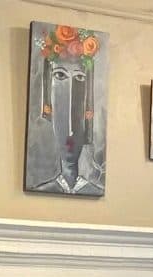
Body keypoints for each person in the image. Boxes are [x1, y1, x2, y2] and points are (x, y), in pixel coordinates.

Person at [31, 25, 105, 196]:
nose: (71, 130)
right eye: (60, 75)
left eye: (79, 77)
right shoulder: (43, 190)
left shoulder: (94, 190)